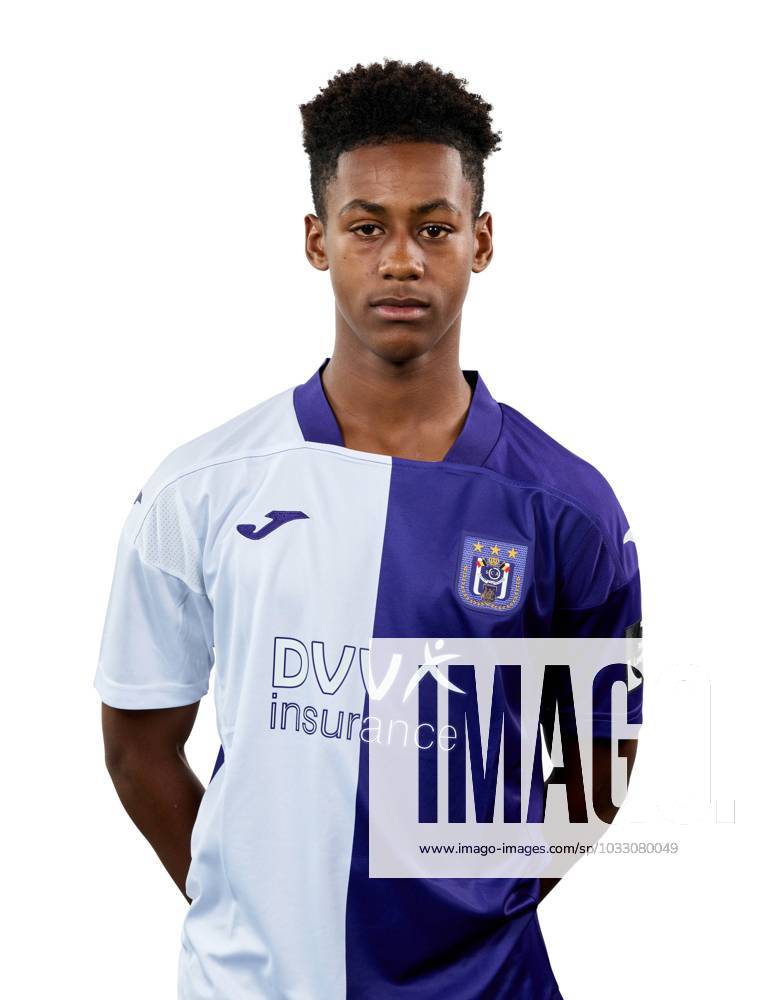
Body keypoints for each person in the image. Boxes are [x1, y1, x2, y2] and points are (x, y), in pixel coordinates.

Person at [95, 58, 642, 1000]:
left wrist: (479, 908)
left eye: (434, 227)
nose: (401, 259)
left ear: (480, 240)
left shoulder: (565, 507)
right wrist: (250, 916)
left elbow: (597, 760)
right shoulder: (203, 487)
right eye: (366, 228)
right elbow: (137, 745)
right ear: (317, 240)